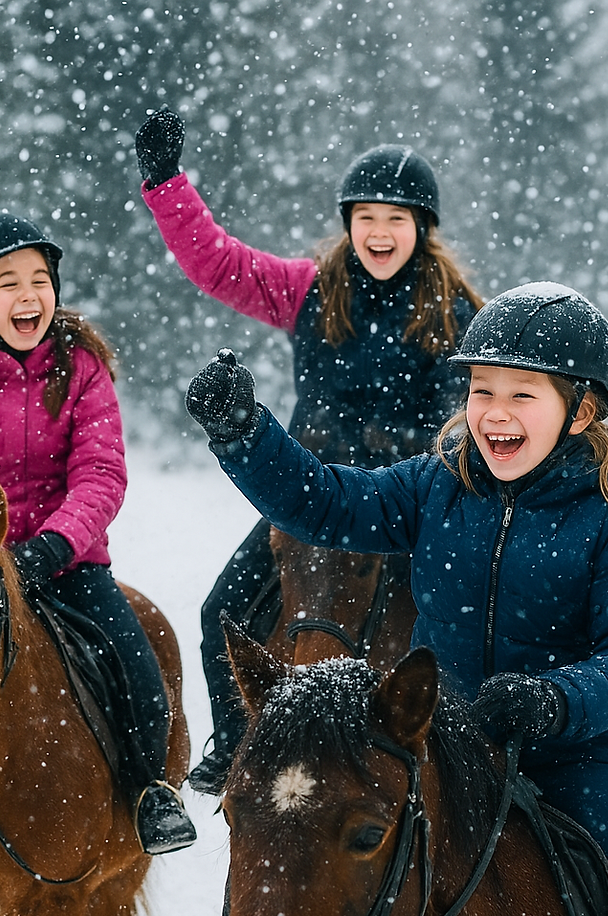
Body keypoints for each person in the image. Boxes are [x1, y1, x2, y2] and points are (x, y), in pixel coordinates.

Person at [185, 282, 608, 916]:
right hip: (441, 744)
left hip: (572, 755)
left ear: (581, 412)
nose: (496, 412)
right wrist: (246, 436)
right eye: (483, 391)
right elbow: (328, 503)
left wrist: (554, 700)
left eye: (523, 394)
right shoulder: (437, 484)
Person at [134, 106, 483, 793]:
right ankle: (238, 744)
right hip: (309, 500)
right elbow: (218, 264)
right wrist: (166, 183)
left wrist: (403, 452)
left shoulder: (457, 313)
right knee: (223, 613)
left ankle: (455, 760)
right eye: (366, 217)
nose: (379, 232)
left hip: (405, 508)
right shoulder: (310, 290)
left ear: (423, 228)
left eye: (396, 218)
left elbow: (463, 420)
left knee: (459, 630)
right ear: (348, 223)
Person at [0, 211, 196, 855]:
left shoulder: (83, 370)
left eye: (39, 280)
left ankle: (150, 792)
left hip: (68, 564)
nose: (29, 296)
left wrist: (54, 545)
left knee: (136, 661)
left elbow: (101, 474)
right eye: (9, 283)